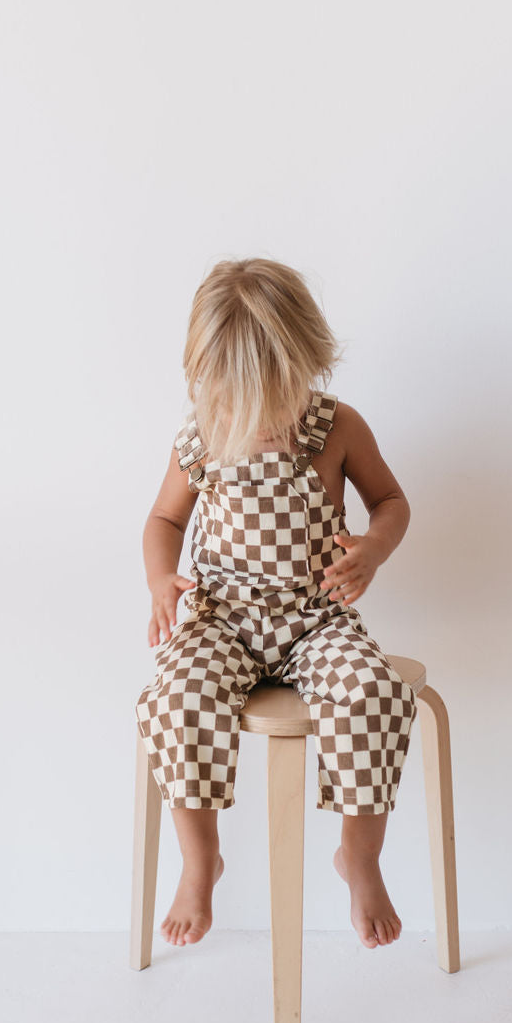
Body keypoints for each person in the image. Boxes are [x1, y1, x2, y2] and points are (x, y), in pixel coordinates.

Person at [136, 257, 418, 951]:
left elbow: (390, 501)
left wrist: (371, 551)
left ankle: (359, 854)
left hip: (315, 619)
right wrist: (160, 578)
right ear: (207, 380)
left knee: (373, 693)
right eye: (238, 397)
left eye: (275, 395)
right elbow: (163, 521)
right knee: (177, 697)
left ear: (306, 364)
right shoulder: (201, 436)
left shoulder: (337, 427)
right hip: (222, 618)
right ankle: (201, 858)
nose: (258, 418)